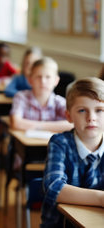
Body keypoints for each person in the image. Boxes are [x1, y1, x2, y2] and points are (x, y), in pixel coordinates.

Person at [41, 77, 104, 227]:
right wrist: (101, 198)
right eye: (82, 110)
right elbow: (53, 187)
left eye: (99, 110)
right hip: (60, 224)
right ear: (68, 116)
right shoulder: (60, 143)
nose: (91, 118)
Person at [10, 57, 73, 132]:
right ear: (30, 80)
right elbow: (16, 123)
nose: (43, 81)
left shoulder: (59, 102)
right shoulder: (21, 97)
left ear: (56, 81)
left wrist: (37, 126)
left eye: (48, 77)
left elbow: (73, 123)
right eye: (38, 77)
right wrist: (51, 126)